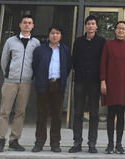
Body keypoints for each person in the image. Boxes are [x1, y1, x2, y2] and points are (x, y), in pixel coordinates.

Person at [0, 15, 40, 153]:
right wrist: (8, 74)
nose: (27, 25)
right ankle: (0, 139)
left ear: (33, 26)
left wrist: (31, 76)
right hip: (10, 81)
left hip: (26, 82)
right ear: (20, 25)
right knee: (4, 111)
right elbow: (4, 60)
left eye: (29, 23)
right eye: (24, 22)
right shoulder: (10, 41)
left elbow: (36, 62)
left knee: (20, 112)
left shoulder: (36, 43)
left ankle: (14, 140)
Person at [31, 25, 72, 153]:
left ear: (61, 36)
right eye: (53, 33)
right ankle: (39, 142)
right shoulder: (40, 50)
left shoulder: (65, 50)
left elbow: (68, 67)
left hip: (58, 85)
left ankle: (55, 143)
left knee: (57, 116)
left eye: (57, 33)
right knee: (41, 115)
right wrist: (41, 78)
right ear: (49, 35)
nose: (55, 35)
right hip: (43, 84)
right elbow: (35, 66)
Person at [70, 15, 106, 154]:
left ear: (96, 26)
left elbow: (103, 61)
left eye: (93, 23)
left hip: (95, 82)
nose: (91, 26)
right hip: (80, 81)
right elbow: (74, 60)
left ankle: (92, 143)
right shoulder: (79, 41)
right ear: (85, 26)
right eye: (88, 23)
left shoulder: (101, 42)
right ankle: (77, 142)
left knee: (94, 114)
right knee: (78, 113)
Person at [100, 21, 125, 154]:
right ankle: (110, 144)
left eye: (123, 29)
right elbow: (103, 64)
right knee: (110, 114)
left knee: (121, 114)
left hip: (124, 84)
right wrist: (103, 81)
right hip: (111, 84)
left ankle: (119, 144)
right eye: (119, 28)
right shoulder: (108, 44)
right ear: (115, 30)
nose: (121, 31)